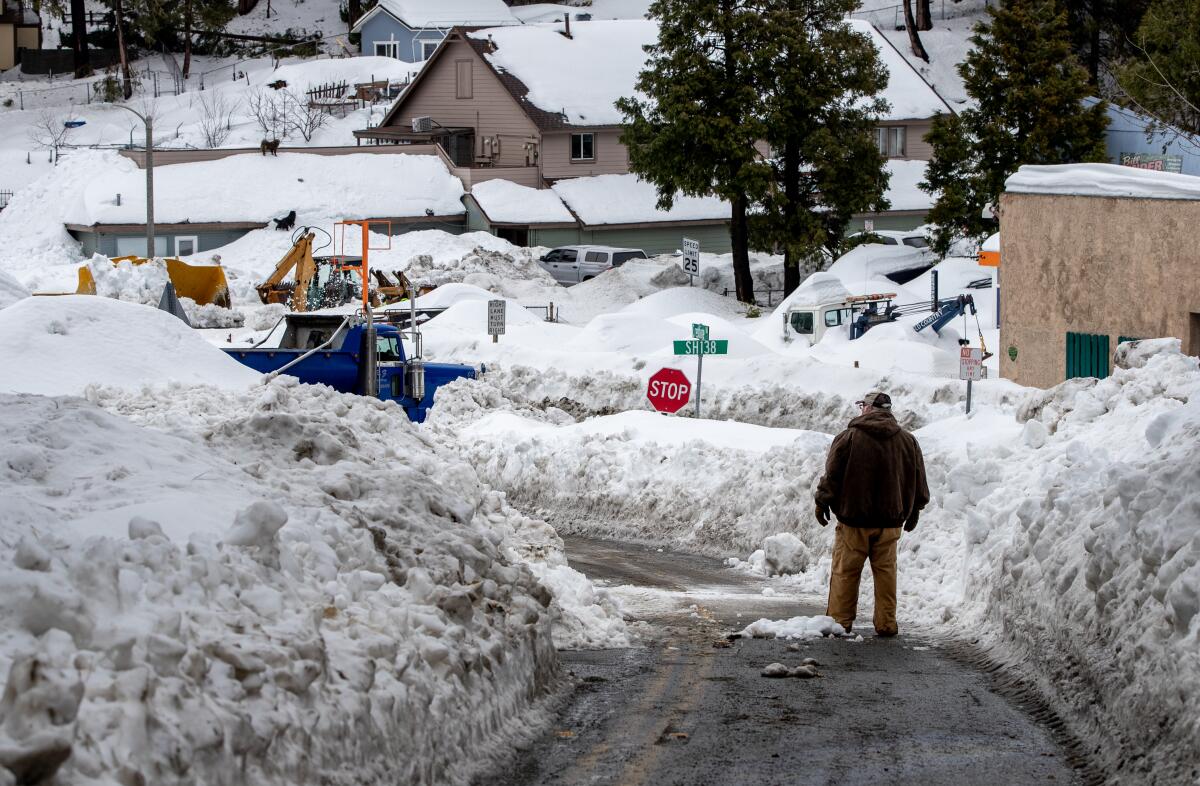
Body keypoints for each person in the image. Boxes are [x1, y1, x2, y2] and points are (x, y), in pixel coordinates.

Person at [814, 391, 929, 636]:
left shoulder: (849, 437)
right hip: (890, 522)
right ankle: (886, 623)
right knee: (886, 573)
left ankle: (840, 622)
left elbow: (832, 474)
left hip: (854, 520)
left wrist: (822, 502)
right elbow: (918, 478)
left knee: (846, 572)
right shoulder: (908, 441)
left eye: (862, 406)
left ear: (867, 408)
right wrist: (916, 509)